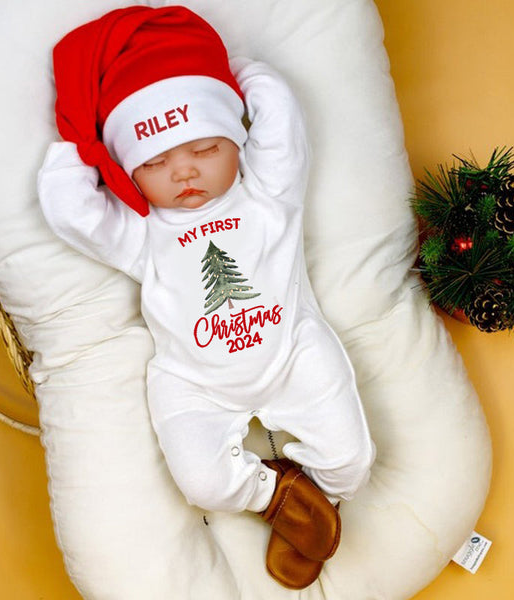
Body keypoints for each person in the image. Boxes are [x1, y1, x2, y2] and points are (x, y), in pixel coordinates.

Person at [38, 5, 375, 590]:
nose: (185, 173)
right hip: (193, 380)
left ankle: (324, 502)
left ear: (236, 143)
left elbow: (281, 124)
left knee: (353, 459)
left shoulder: (268, 196)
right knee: (203, 482)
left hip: (291, 352)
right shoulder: (143, 231)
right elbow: (72, 212)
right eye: (157, 162)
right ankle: (281, 498)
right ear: (129, 172)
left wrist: (243, 75)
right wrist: (80, 144)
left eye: (205, 149)